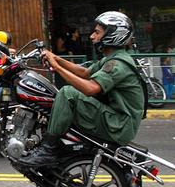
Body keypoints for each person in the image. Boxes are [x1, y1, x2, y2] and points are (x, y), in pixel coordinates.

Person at [18, 11, 144, 167]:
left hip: (118, 125)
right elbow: (84, 72)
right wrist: (56, 58)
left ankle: (48, 151)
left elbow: (91, 88)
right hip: (116, 120)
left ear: (113, 35)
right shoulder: (112, 58)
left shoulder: (117, 64)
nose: (92, 36)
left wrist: (56, 67)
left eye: (97, 32)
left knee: (68, 93)